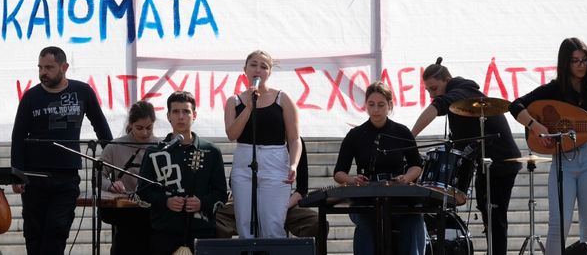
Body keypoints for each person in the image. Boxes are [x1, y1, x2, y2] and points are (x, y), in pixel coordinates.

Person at [509, 37, 587, 255]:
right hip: (563, 161)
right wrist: (537, 126)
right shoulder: (554, 89)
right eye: (575, 61)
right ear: (565, 63)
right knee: (558, 226)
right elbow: (515, 105)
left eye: (584, 60)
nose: (581, 65)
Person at [411, 57, 522, 255]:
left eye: (434, 89)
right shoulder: (460, 98)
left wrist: (410, 139)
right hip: (485, 163)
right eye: (428, 90)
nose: (431, 95)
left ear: (446, 80)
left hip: (501, 162)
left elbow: (436, 107)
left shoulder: (462, 92)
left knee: (495, 215)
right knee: (487, 211)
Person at [10, 46, 113, 255]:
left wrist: (114, 163)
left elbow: (101, 128)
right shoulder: (31, 97)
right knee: (34, 232)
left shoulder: (83, 92)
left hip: (66, 176)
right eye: (40, 67)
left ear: (64, 67)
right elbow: (18, 136)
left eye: (49, 67)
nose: (43, 72)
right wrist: (17, 172)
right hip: (34, 176)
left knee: (57, 230)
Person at [334, 81, 425, 255]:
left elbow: (416, 165)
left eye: (381, 105)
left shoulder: (402, 131)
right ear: (365, 105)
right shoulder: (355, 135)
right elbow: (339, 173)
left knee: (413, 218)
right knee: (366, 222)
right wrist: (352, 180)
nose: (376, 109)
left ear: (390, 105)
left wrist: (406, 178)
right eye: (371, 104)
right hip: (366, 197)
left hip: (398, 195)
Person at [224, 50, 302, 238]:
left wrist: (293, 164)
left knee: (272, 222)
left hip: (275, 160)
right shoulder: (234, 101)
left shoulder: (282, 98)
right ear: (245, 69)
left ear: (269, 72)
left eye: (263, 66)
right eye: (253, 65)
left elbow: (294, 138)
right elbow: (232, 134)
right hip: (244, 160)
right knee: (245, 223)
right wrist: (249, 107)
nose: (258, 70)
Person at [138, 91, 227, 255]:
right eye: (176, 111)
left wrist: (202, 202)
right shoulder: (155, 152)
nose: (181, 116)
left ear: (194, 115)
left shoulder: (211, 151)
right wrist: (166, 201)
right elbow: (142, 192)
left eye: (186, 111)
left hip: (202, 232)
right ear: (168, 116)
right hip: (165, 232)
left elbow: (221, 193)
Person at [215, 137, 324, 239]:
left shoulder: (295, 142)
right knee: (214, 220)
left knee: (317, 222)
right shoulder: (248, 139)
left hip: (283, 201)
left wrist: (281, 208)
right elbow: (233, 183)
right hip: (248, 202)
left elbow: (302, 189)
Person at [99, 100, 159, 255]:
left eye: (149, 128)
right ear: (131, 124)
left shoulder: (162, 146)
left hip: (154, 209)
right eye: (139, 128)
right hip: (125, 210)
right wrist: (110, 185)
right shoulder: (115, 146)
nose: (145, 133)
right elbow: (98, 175)